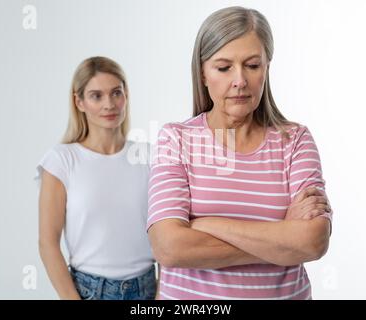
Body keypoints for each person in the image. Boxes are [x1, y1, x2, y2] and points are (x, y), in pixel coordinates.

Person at [147, 7, 333, 300]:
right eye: (223, 68)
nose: (240, 81)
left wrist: (206, 225)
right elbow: (168, 248)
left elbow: (312, 242)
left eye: (252, 65)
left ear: (267, 67)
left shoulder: (295, 141)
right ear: (203, 73)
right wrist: (281, 240)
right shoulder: (176, 139)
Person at [36, 56, 157, 300]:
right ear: (78, 101)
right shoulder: (62, 160)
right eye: (96, 96)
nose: (109, 104)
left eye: (116, 93)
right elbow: (48, 243)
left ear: (126, 96)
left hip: (147, 289)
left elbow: (169, 233)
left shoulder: (150, 156)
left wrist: (163, 294)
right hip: (89, 291)